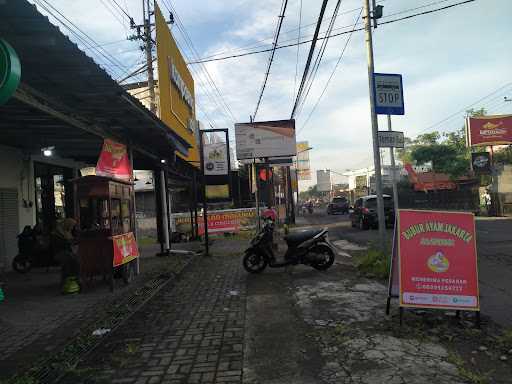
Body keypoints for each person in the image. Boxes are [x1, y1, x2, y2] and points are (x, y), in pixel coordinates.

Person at [52, 218, 79, 287]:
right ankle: (69, 280)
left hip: (66, 252)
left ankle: (72, 279)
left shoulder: (67, 232)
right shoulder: (57, 233)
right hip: (60, 252)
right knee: (71, 260)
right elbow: (61, 245)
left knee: (74, 258)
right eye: (71, 226)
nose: (72, 228)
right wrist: (70, 242)